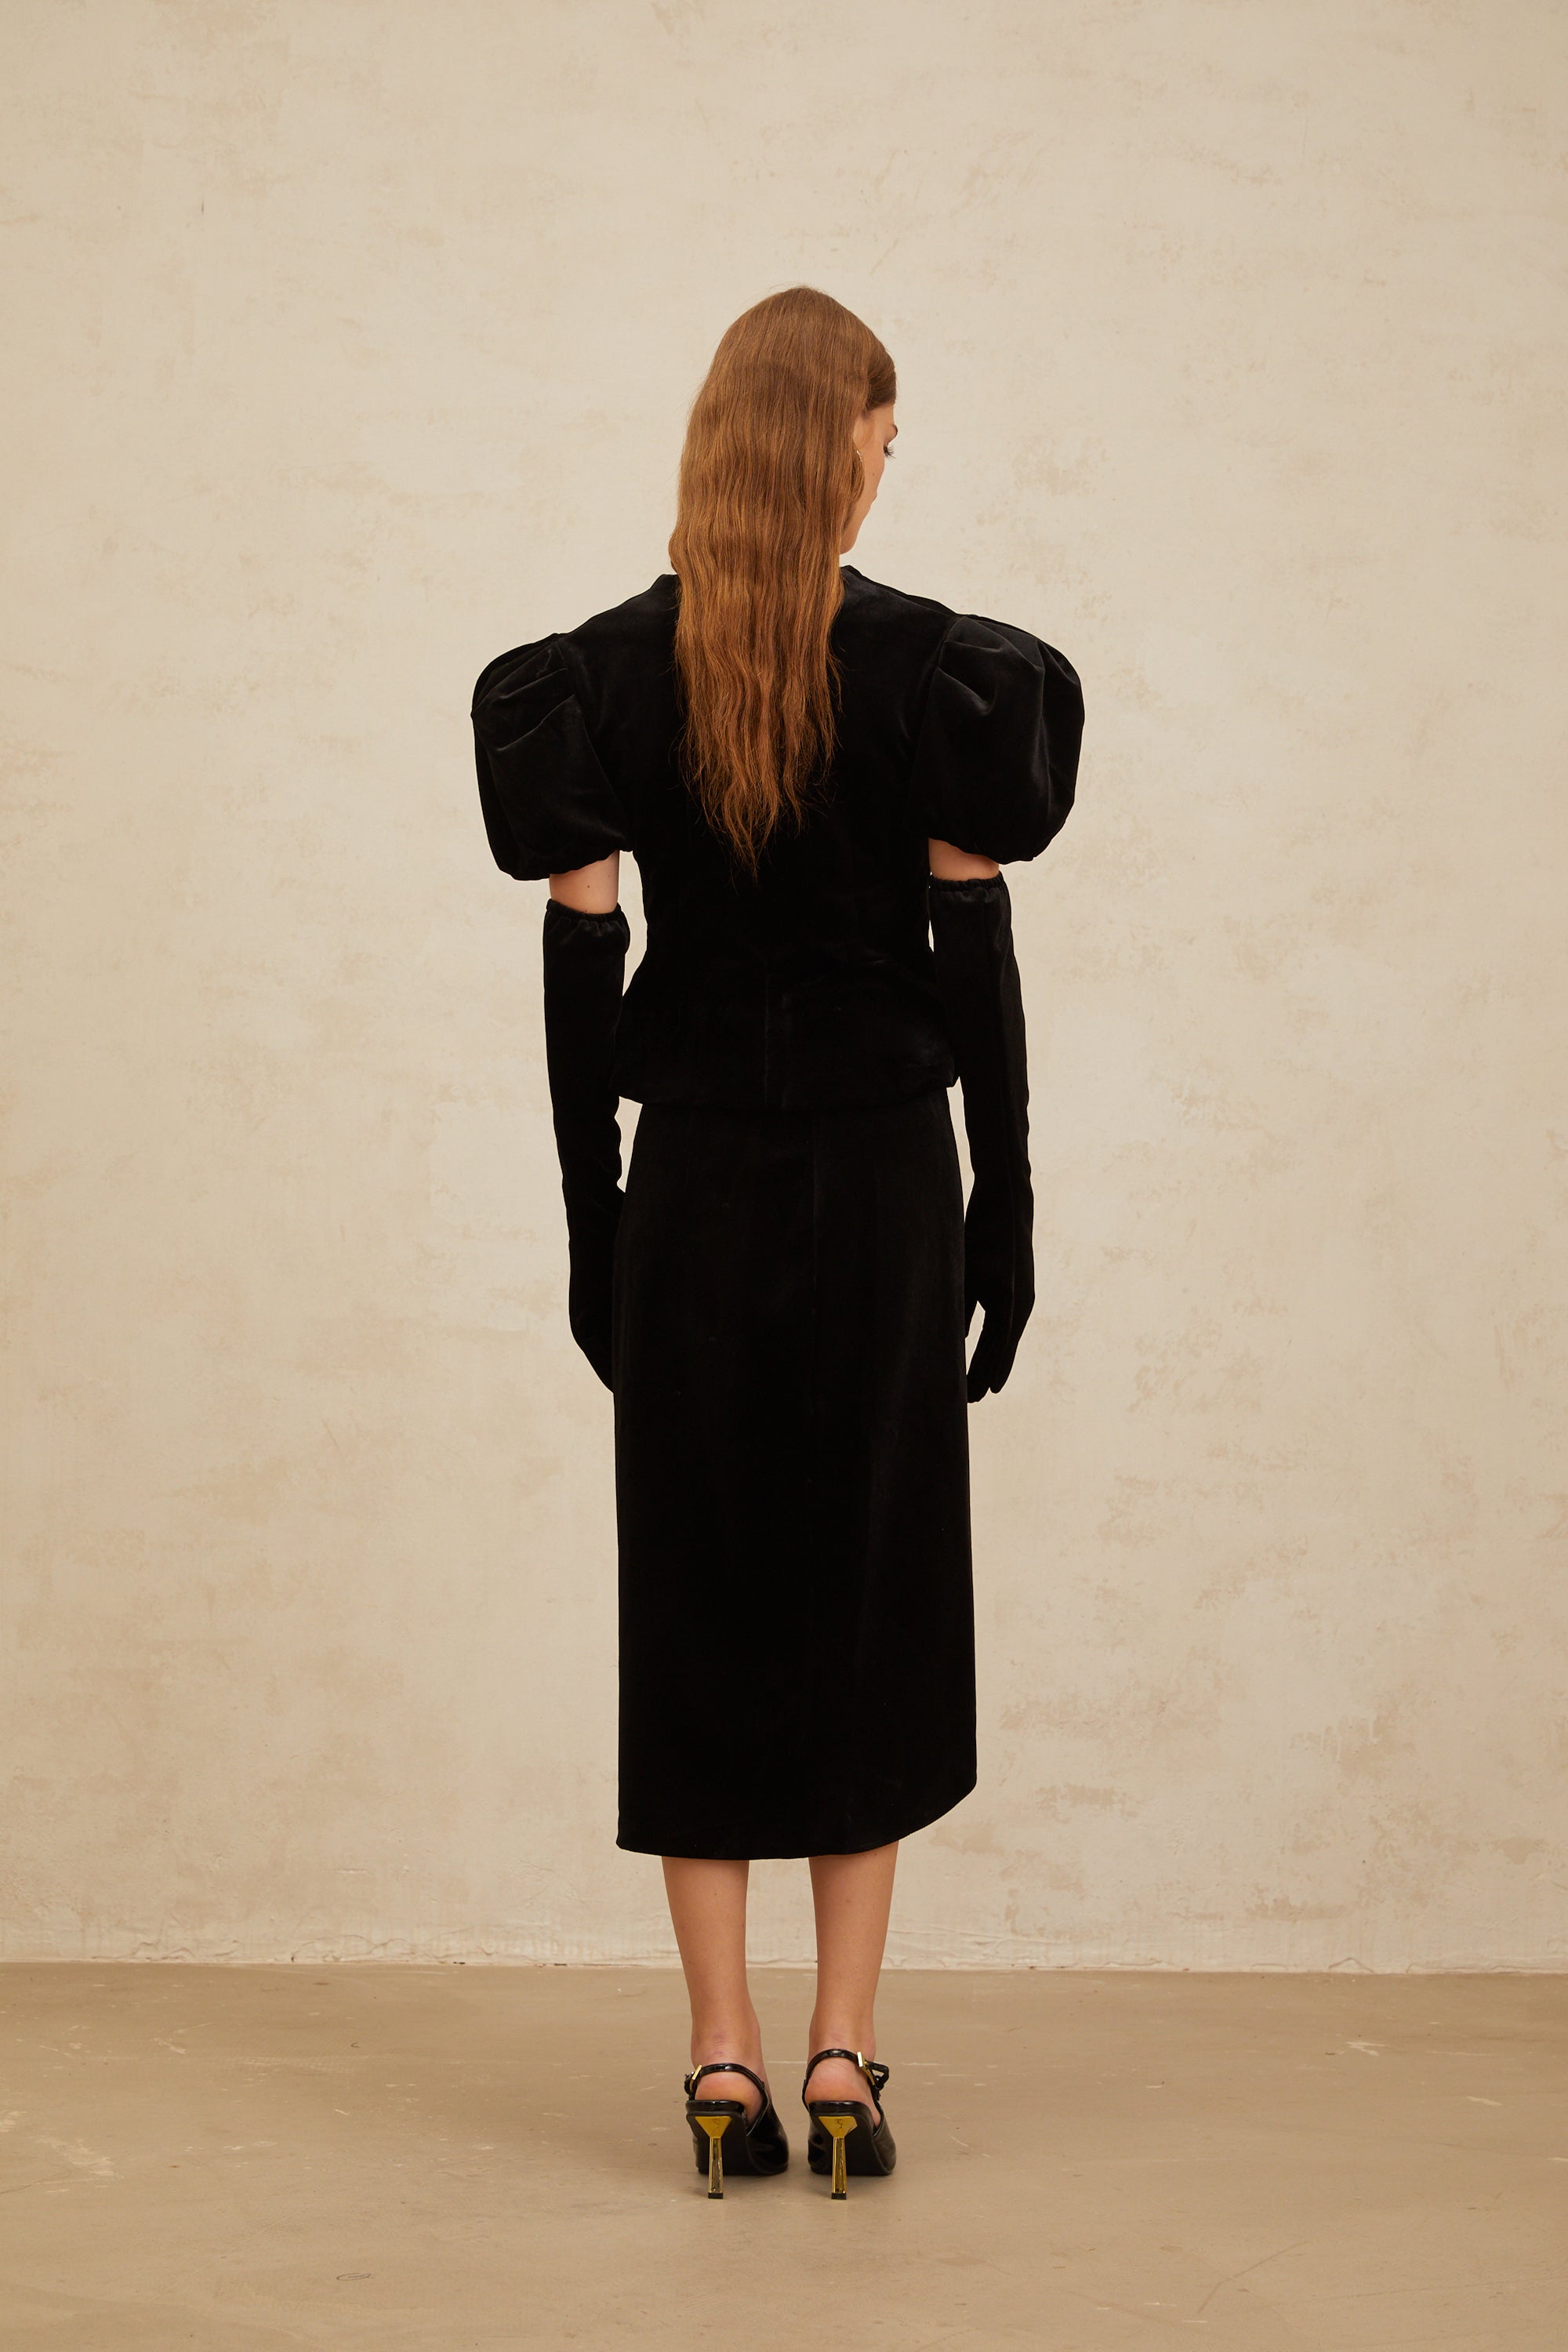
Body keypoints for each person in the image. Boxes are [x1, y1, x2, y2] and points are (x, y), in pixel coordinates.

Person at [470, 286, 1083, 2201]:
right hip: (887, 1183)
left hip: (698, 1192)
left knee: (701, 1590)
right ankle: (840, 2050)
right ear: (838, 450)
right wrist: (1003, 1211)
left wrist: (593, 1225)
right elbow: (975, 961)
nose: (889, 469)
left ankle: (718, 2051)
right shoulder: (938, 678)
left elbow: (582, 961)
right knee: (871, 1594)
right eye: (883, 441)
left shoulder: (595, 678)